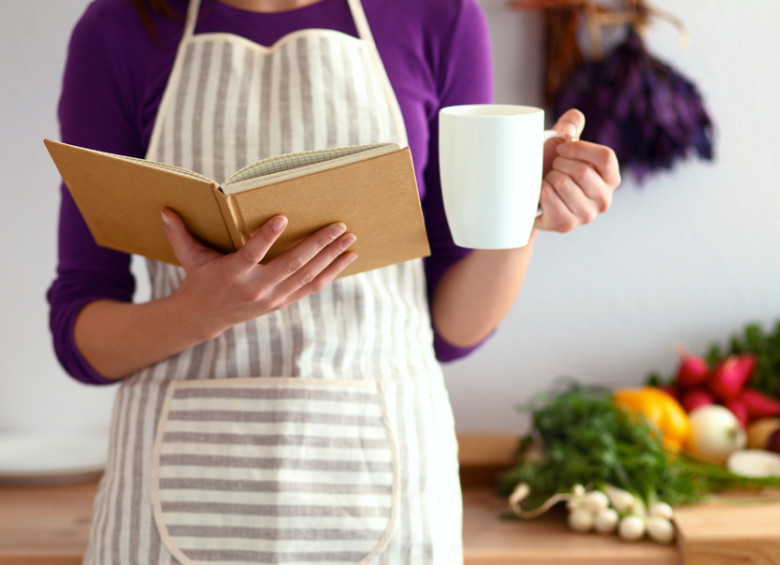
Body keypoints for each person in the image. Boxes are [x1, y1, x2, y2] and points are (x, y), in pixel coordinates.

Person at [48, 0, 620, 563]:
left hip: (382, 491)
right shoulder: (119, 27)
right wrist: (203, 310)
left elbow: (451, 329)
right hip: (175, 496)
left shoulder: (437, 16)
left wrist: (526, 212)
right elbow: (80, 334)